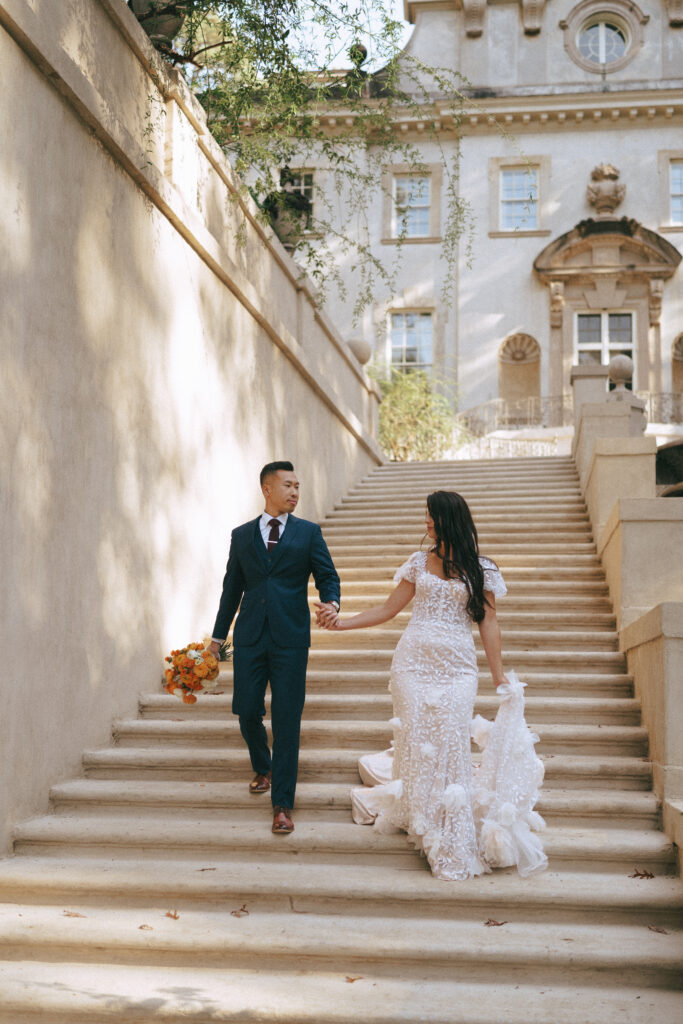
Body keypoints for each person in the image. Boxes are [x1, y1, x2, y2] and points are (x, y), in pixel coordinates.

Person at [317, 490, 547, 880]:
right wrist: (342, 622)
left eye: (430, 517)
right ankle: (423, 816)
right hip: (412, 666)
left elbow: (488, 622)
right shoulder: (418, 563)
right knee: (418, 738)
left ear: (448, 520)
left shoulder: (482, 568)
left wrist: (497, 675)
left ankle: (448, 831)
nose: (425, 524)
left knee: (450, 741)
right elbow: (389, 609)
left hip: (458, 669)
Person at [209, 461, 340, 835]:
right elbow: (231, 589)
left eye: (298, 486)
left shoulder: (308, 533)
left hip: (291, 640)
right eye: (288, 485)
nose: (295, 492)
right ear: (267, 489)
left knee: (287, 719)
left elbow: (328, 576)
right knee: (246, 709)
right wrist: (217, 640)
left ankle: (282, 804)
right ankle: (262, 766)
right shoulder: (241, 536)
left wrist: (332, 602)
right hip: (249, 637)